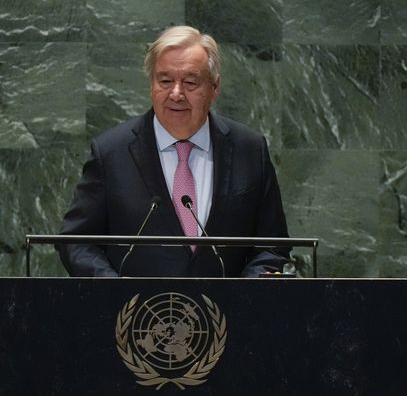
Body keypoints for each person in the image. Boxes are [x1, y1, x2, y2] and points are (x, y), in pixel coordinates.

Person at [57, 25, 290, 277]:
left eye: (190, 82)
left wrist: (248, 290)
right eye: (165, 81)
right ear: (151, 85)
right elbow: (77, 240)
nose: (176, 94)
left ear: (215, 87)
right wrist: (114, 290)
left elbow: (272, 246)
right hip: (135, 313)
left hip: (229, 313)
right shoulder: (112, 152)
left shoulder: (250, 149)